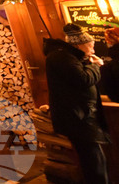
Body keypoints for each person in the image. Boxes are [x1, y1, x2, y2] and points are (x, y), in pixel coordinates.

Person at [45, 23, 109, 183]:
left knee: (94, 157)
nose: (93, 50)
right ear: (80, 44)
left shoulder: (68, 56)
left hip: (81, 115)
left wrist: (88, 63)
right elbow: (83, 79)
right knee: (93, 159)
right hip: (78, 117)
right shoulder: (62, 57)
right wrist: (95, 66)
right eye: (91, 46)